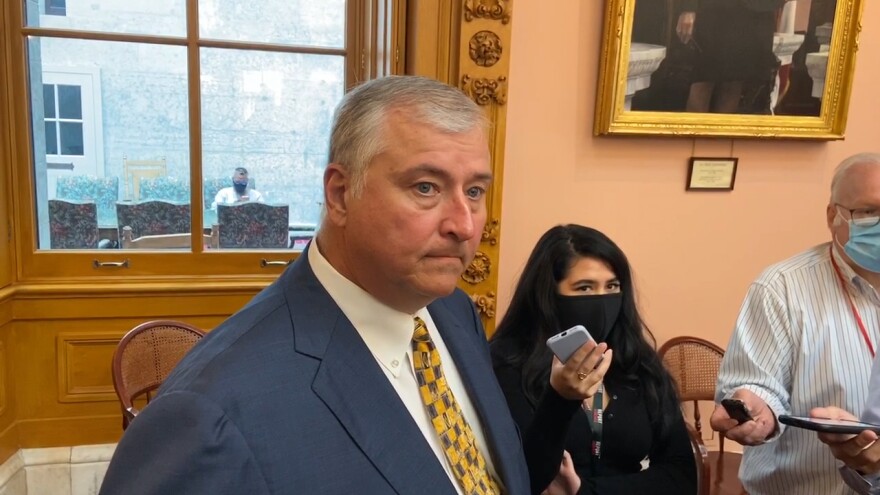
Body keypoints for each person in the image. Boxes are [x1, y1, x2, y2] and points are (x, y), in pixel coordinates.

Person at [99, 75, 530, 494]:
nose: (465, 224)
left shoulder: (456, 312)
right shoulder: (209, 414)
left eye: (474, 191)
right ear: (340, 194)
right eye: (425, 187)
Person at [711, 152, 880, 494]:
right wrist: (759, 411)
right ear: (833, 215)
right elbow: (756, 385)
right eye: (869, 212)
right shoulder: (783, 288)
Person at [490, 224, 696, 495]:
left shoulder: (638, 361)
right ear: (548, 294)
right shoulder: (505, 363)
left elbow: (681, 477)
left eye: (612, 286)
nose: (601, 300)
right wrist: (560, 399)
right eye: (584, 288)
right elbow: (526, 477)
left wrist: (583, 491)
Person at [678, 0, 794, 113]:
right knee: (701, 82)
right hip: (713, 12)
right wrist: (688, 7)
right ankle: (694, 132)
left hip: (754, 15)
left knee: (734, 83)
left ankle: (720, 132)